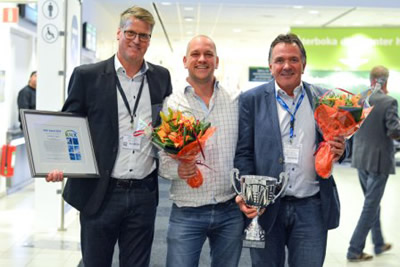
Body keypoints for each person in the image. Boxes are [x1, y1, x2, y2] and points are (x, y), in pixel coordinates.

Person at [46, 6, 172, 267]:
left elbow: (166, 127)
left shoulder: (161, 77)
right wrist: (59, 162)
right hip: (101, 192)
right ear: (119, 33)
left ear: (150, 39)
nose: (137, 40)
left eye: (144, 35)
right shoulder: (88, 76)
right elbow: (70, 125)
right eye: (131, 33)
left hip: (143, 192)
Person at [234, 33, 346, 267]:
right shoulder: (251, 100)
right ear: (270, 66)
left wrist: (341, 149)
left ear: (303, 64)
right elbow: (243, 152)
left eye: (293, 59)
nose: (287, 66)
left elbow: (341, 145)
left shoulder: (323, 98)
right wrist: (249, 194)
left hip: (311, 207)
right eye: (280, 60)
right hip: (265, 206)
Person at [158, 35, 244, 267]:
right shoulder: (172, 104)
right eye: (195, 54)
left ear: (217, 61)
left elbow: (246, 151)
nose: (202, 59)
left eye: (208, 54)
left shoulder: (235, 100)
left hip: (229, 209)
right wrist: (181, 168)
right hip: (187, 210)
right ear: (185, 61)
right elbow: (163, 162)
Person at [346, 65, 400, 262]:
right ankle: (354, 249)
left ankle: (378, 243)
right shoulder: (389, 101)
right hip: (379, 161)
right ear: (385, 81)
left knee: (372, 203)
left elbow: (350, 127)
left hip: (361, 159)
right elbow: (394, 131)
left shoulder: (360, 99)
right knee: (370, 206)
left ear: (371, 80)